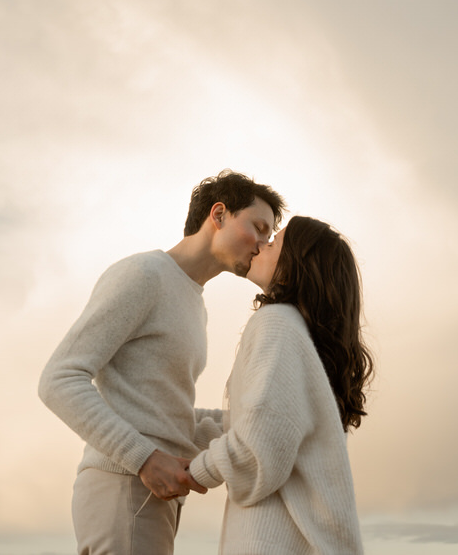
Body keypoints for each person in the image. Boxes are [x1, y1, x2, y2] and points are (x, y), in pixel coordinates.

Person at [38, 170, 285, 555]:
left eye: (270, 237)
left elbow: (166, 409)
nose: (263, 244)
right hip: (125, 485)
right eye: (258, 227)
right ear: (218, 214)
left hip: (153, 493)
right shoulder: (144, 275)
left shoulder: (192, 301)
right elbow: (59, 378)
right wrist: (144, 459)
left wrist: (248, 419)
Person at [188, 215, 374, 555]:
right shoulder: (297, 334)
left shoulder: (276, 324)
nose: (261, 245)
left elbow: (256, 451)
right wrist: (174, 423)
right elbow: (255, 425)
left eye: (274, 243)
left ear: (296, 264)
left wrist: (189, 473)